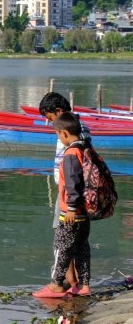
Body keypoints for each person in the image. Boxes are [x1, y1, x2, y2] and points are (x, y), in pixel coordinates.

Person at [33, 112, 92, 297]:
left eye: (58, 134)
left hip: (71, 211)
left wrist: (71, 208)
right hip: (84, 213)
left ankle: (56, 285)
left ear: (64, 134)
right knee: (81, 249)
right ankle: (83, 286)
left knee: (62, 247)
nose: (59, 138)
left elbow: (72, 183)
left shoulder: (70, 154)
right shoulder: (85, 148)